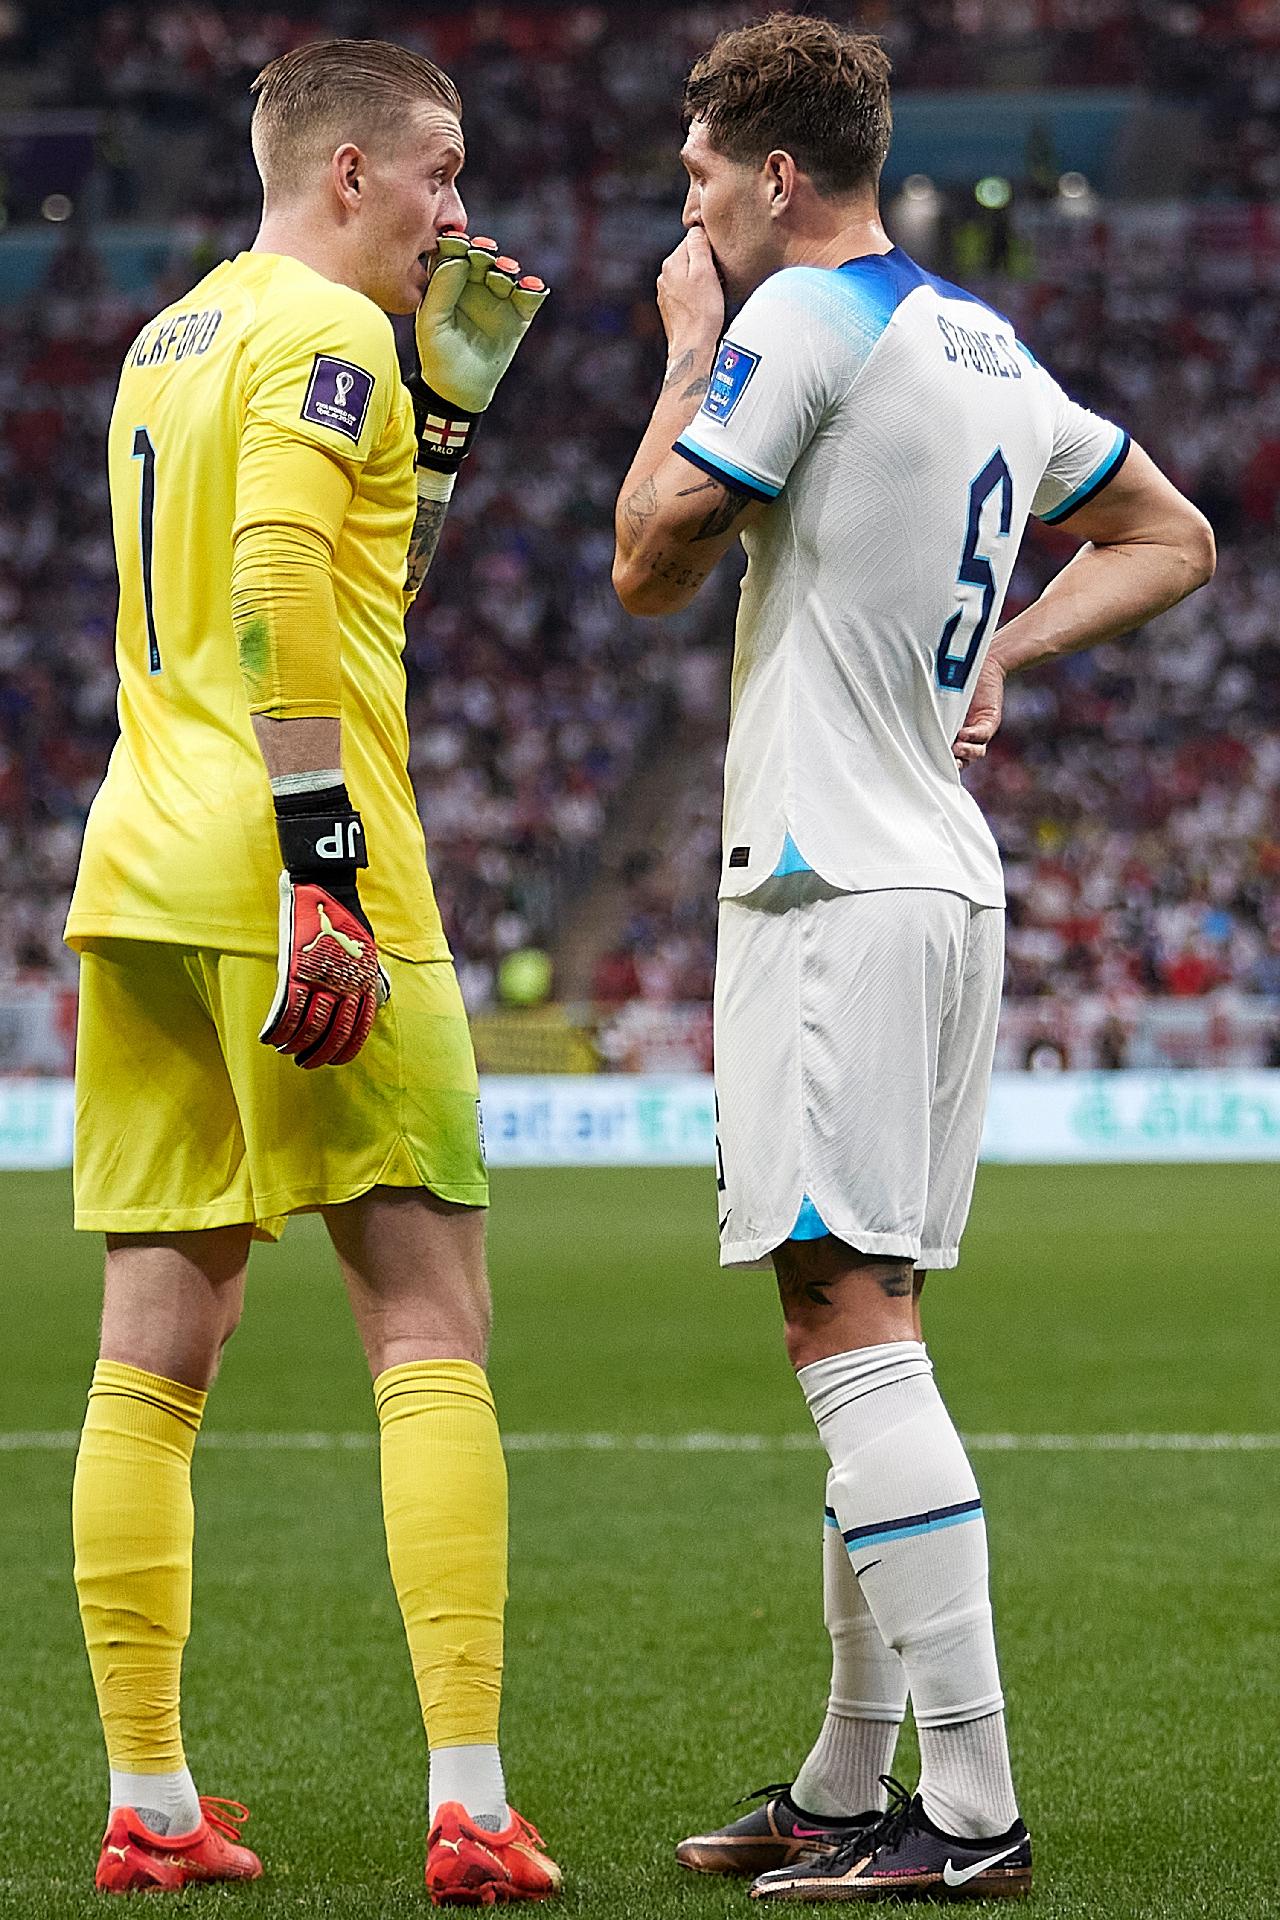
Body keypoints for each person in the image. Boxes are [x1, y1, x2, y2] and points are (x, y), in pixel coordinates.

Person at [613, 14, 1213, 1905]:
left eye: (704, 169)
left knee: (840, 1319)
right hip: (941, 885)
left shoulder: (797, 318)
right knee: (865, 1313)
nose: (690, 201)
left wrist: (691, 351)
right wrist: (1005, 655)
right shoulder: (981, 338)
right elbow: (1171, 532)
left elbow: (646, 556)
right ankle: (847, 1777)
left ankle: (971, 1811)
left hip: (828, 887)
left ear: (778, 175)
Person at [64, 37, 560, 1906]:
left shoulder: (173, 335)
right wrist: (323, 860)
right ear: (342, 169)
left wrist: (436, 435)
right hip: (298, 868)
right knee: (427, 1324)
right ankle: (468, 1796)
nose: (457, 212)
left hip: (140, 871)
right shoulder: (323, 328)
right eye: (437, 173)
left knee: (151, 1358)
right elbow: (284, 581)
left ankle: (153, 1800)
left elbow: (357, 575)